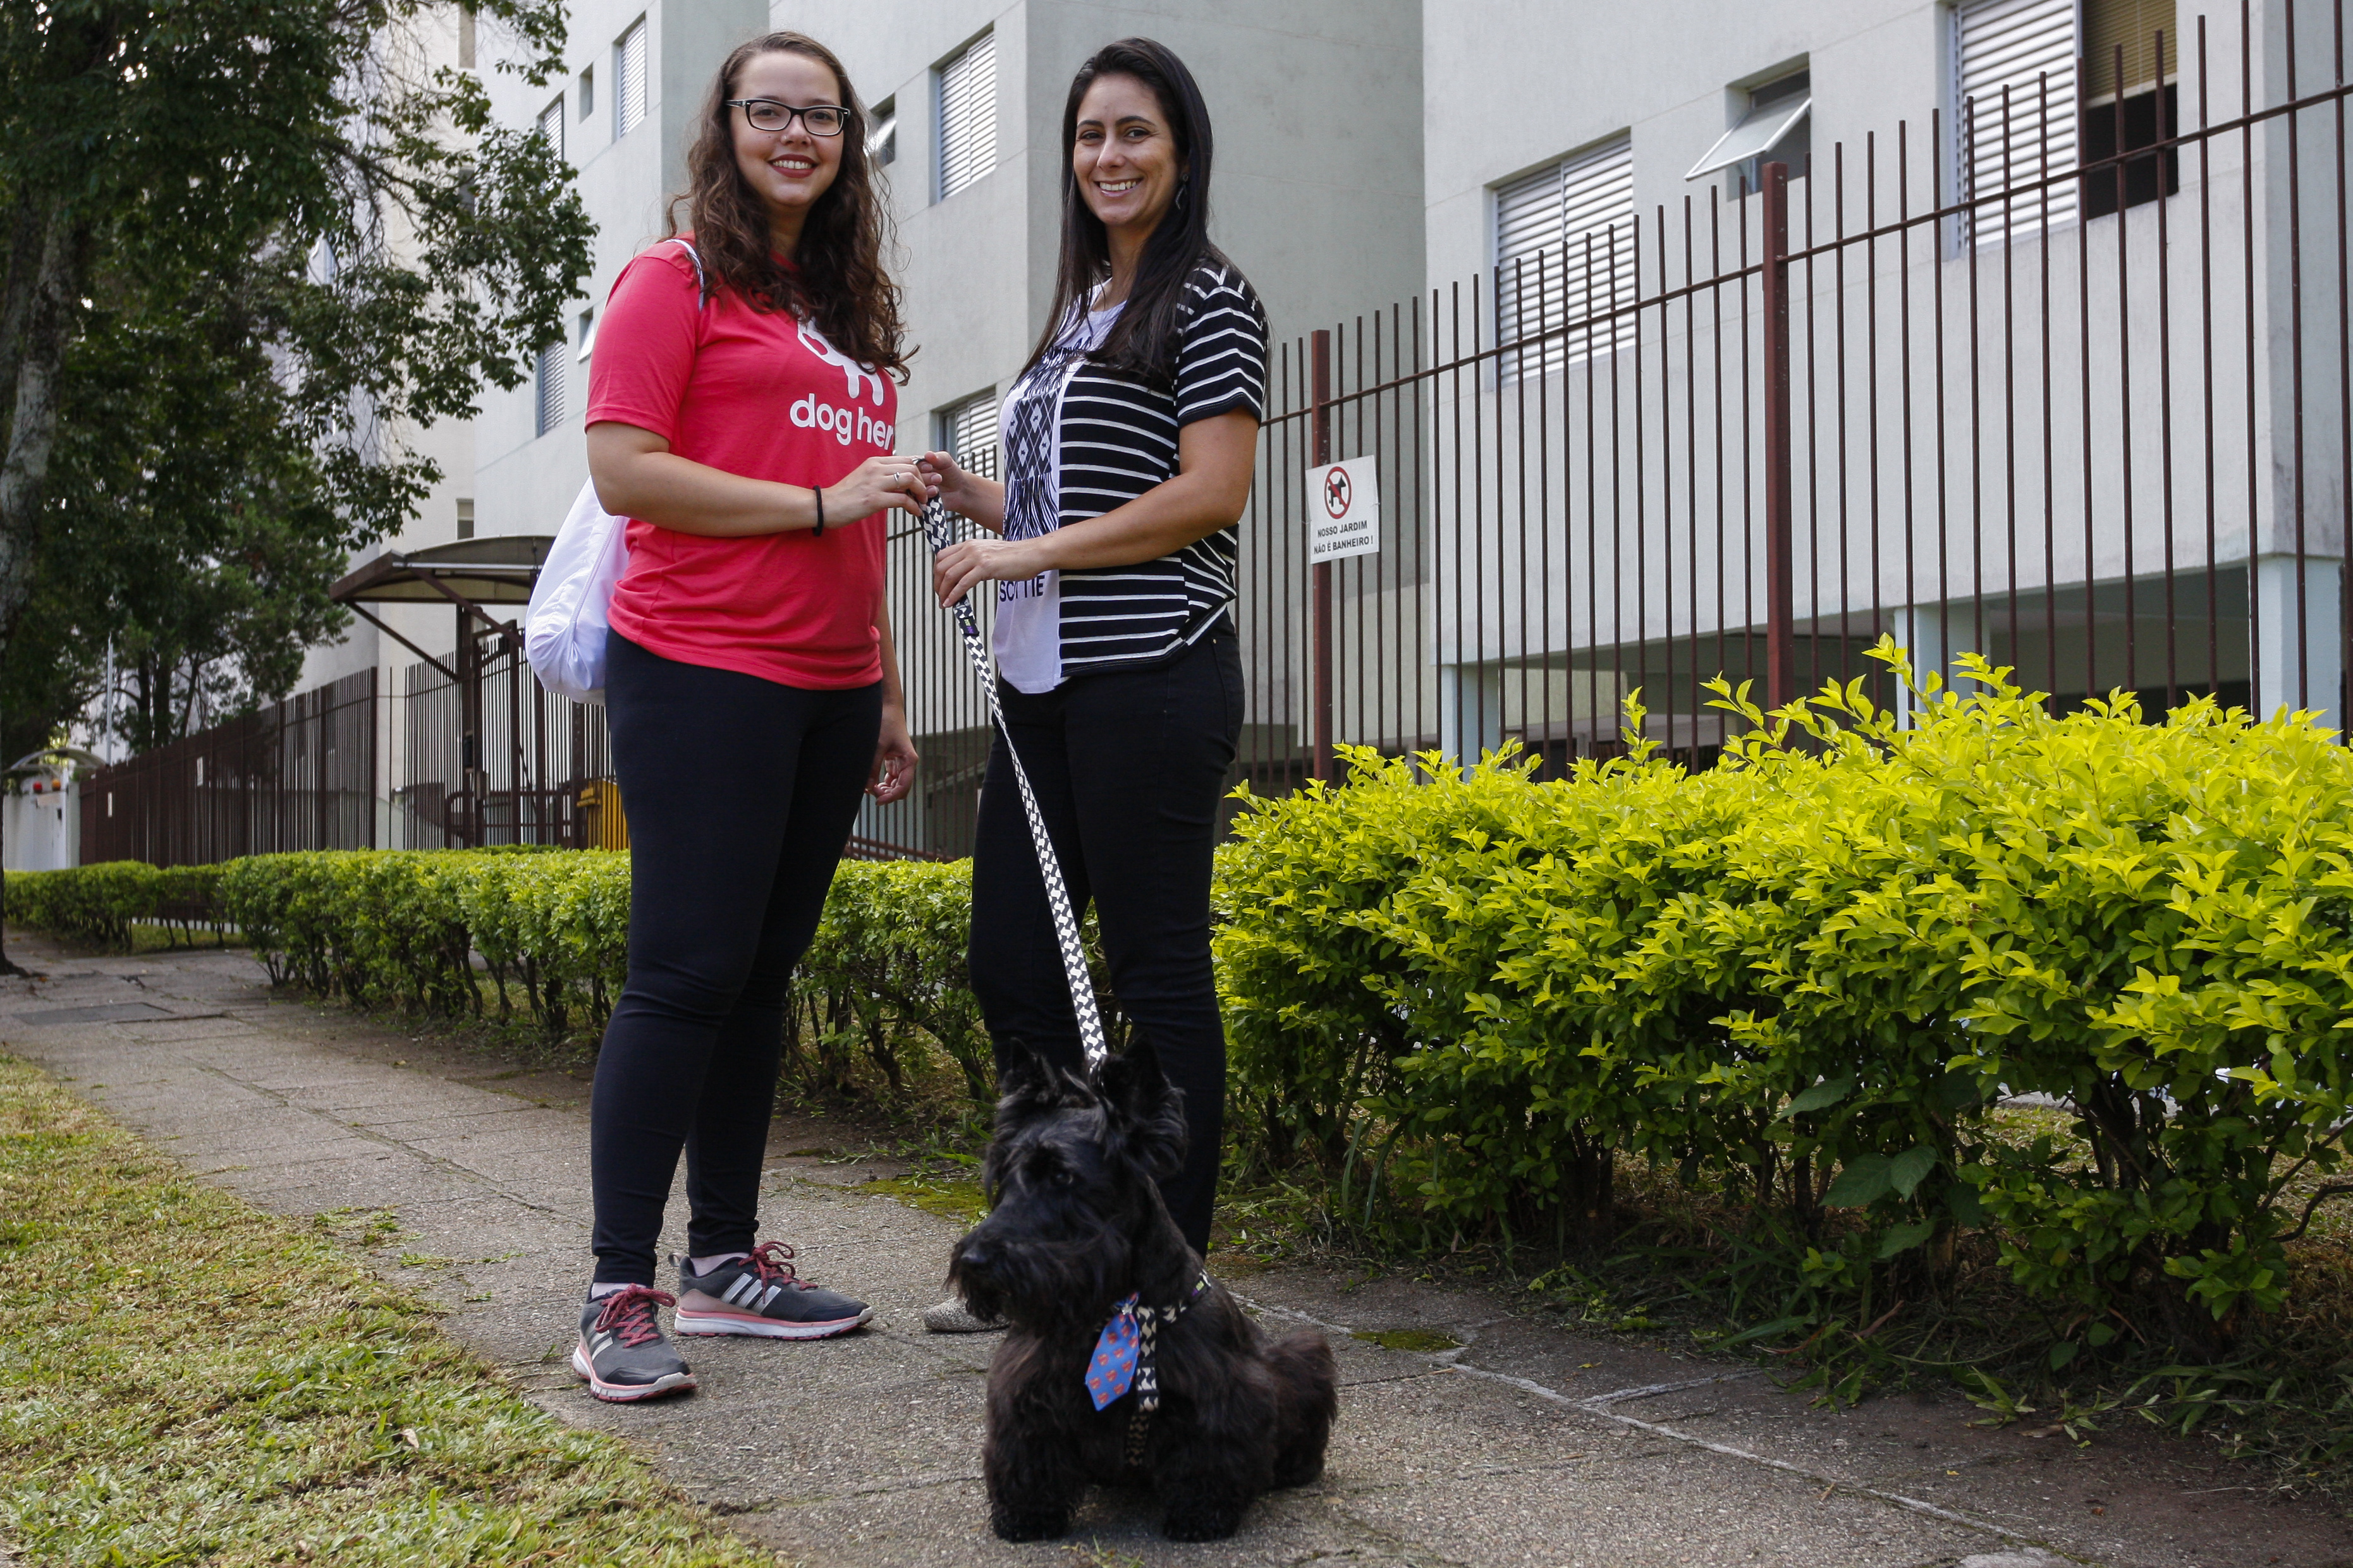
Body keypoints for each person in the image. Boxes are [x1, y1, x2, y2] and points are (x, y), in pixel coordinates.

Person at [571, 30, 925, 1402]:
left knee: (763, 972)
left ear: (847, 142)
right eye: (767, 110)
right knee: (684, 970)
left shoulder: (839, 309)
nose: (795, 134)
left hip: (830, 684)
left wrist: (880, 680)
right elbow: (624, 468)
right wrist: (823, 502)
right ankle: (617, 1288)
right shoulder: (673, 281)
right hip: (701, 662)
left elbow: (861, 521)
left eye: (821, 116)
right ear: (723, 127)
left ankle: (723, 1261)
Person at [917, 37, 1266, 1331]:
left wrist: (1027, 550)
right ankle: (1054, 1253)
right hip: (1047, 684)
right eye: (1089, 136)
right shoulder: (1080, 311)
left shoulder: (1210, 298)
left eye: (1134, 134)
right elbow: (1071, 500)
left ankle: (1167, 1284)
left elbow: (1209, 494)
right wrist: (973, 496)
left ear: (1181, 153)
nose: (1107, 157)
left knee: (1156, 978)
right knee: (1012, 963)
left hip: (1153, 672)